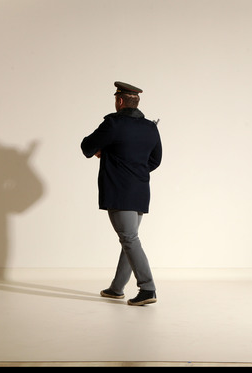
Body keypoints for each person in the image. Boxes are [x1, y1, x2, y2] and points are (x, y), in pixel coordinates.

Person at [81, 81, 162, 306]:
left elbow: (87, 146)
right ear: (136, 101)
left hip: (119, 189)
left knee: (129, 238)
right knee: (129, 239)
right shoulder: (150, 127)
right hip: (140, 191)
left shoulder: (113, 124)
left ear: (119, 101)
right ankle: (116, 288)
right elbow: (155, 161)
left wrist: (105, 152)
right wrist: (134, 166)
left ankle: (147, 288)